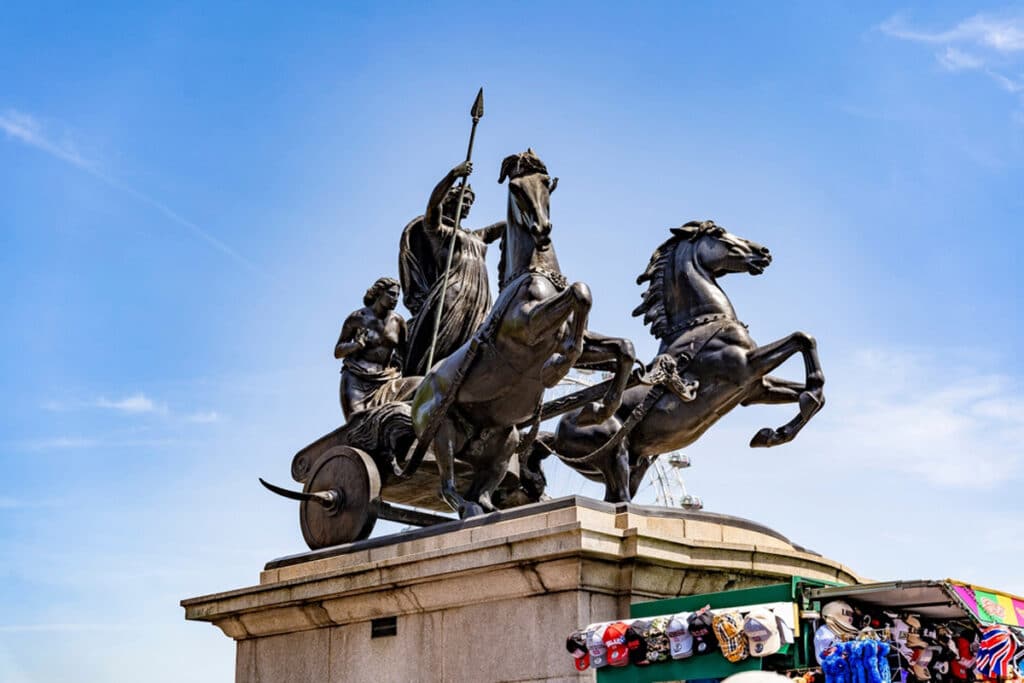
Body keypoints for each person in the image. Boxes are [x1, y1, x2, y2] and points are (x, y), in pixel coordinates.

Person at [398, 161, 505, 375]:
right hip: (453, 296)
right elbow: (433, 206)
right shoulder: (437, 231)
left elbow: (504, 226)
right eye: (464, 201)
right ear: (452, 201)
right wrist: (453, 175)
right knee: (443, 349)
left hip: (481, 299)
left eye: (470, 204)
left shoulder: (475, 236)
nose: (467, 206)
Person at [334, 277, 414, 419]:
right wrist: (355, 345)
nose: (395, 299)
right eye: (391, 294)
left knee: (419, 385)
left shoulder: (398, 321)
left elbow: (404, 353)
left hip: (386, 380)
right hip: (357, 379)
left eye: (397, 295)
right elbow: (338, 351)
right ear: (379, 294)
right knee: (359, 423)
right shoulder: (357, 318)